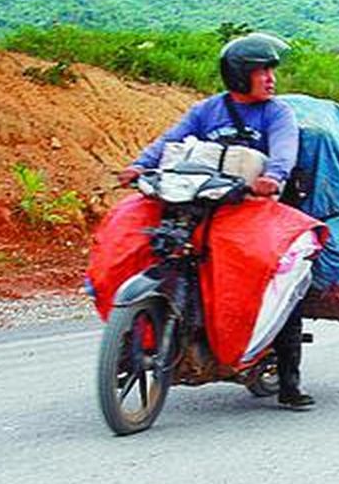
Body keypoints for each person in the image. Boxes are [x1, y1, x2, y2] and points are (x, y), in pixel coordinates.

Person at [120, 32, 316, 409]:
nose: (272, 79)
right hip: (205, 204)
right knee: (152, 240)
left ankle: (290, 381)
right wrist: (141, 165)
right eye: (263, 72)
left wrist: (273, 177)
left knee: (278, 275)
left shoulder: (277, 113)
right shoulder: (207, 110)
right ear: (241, 75)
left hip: (256, 205)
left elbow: (284, 150)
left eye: (272, 71)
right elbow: (170, 140)